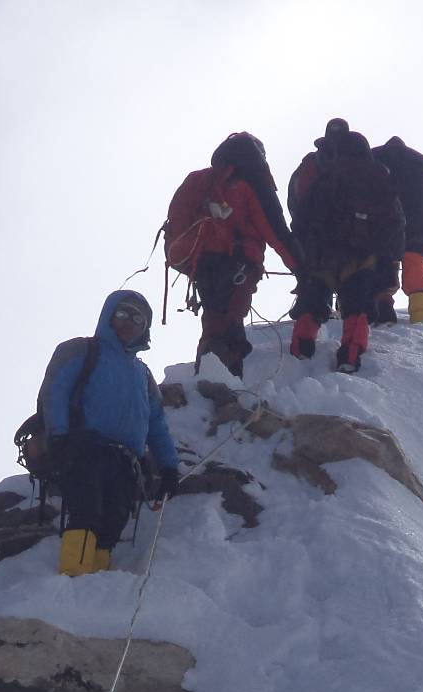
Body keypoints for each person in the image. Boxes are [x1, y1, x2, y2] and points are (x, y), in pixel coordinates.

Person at [37, 290, 181, 575]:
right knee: (86, 510)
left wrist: (169, 467)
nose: (130, 322)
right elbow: (55, 391)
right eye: (123, 313)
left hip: (126, 461)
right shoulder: (81, 350)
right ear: (109, 316)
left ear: (144, 329)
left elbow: (155, 423)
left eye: (138, 319)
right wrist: (59, 436)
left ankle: (95, 578)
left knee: (114, 519)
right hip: (83, 447)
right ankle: (75, 577)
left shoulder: (142, 374)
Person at [165, 133, 298, 378]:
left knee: (214, 316)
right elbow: (275, 231)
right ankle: (224, 380)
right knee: (229, 319)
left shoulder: (200, 179)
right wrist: (303, 270)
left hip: (199, 262)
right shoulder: (252, 182)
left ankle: (207, 375)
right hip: (237, 262)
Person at [287, 123, 404, 373]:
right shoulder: (379, 176)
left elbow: (302, 217)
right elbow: (395, 221)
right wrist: (386, 256)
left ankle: (301, 347)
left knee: (315, 299)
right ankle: (350, 355)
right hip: (363, 255)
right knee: (358, 305)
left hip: (324, 253)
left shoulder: (326, 175)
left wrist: (304, 252)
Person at [370, 136, 423, 328]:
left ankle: (382, 312)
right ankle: (422, 319)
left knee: (381, 270)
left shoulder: (372, 157)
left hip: (381, 230)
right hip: (418, 231)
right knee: (415, 275)